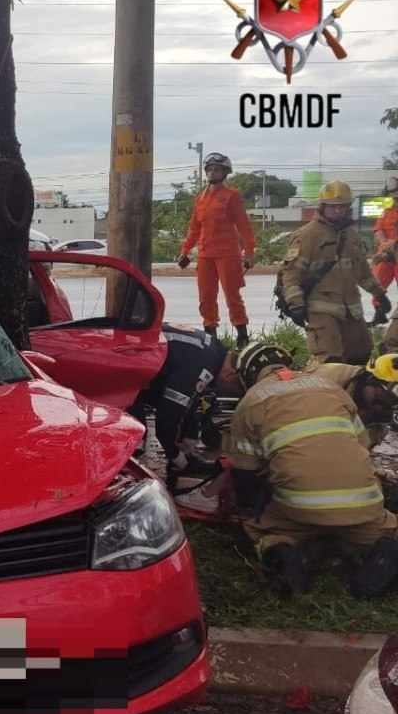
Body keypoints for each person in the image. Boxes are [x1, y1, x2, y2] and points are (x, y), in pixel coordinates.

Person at [227, 342, 398, 598]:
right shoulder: (332, 388)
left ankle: (283, 554)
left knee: (264, 527)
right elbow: (361, 446)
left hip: (299, 508)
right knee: (383, 528)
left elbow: (245, 473)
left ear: (248, 375)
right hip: (363, 503)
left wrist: (252, 504)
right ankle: (385, 557)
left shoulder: (250, 401)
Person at [279, 181, 390, 366]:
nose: (338, 211)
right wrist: (296, 305)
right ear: (323, 207)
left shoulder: (351, 236)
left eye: (342, 206)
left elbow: (362, 273)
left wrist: (380, 295)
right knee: (330, 361)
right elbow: (291, 275)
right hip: (321, 310)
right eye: (333, 207)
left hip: (351, 310)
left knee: (360, 357)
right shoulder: (307, 236)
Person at [130, 324, 231, 489]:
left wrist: (190, 435)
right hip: (129, 363)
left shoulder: (213, 350)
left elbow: (190, 398)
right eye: (229, 385)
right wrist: (177, 457)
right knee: (135, 429)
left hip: (141, 359)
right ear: (229, 373)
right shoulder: (202, 364)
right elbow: (168, 416)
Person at [176, 153, 255, 347]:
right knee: (206, 297)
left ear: (225, 172)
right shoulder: (200, 198)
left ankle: (242, 335)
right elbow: (194, 227)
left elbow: (244, 226)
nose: (212, 172)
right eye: (210, 169)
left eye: (217, 169)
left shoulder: (232, 196)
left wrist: (250, 252)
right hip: (205, 255)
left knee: (232, 296)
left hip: (228, 254)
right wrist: (185, 251)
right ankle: (210, 335)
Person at [370, 176, 398, 324]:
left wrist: (393, 243)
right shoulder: (386, 209)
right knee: (377, 281)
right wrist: (384, 242)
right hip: (385, 252)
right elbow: (378, 228)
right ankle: (379, 313)